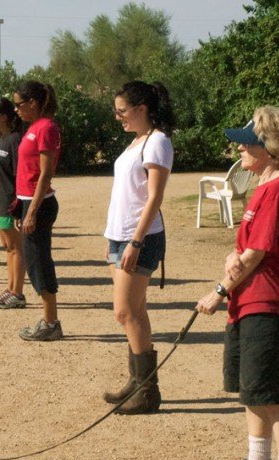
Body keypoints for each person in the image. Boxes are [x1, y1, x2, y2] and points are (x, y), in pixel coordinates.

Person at [197, 106, 279, 460]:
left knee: (274, 398)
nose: (240, 147)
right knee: (253, 391)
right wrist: (232, 255)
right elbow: (247, 246)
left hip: (268, 302)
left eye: (249, 141)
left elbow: (258, 253)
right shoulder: (263, 188)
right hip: (249, 301)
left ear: (273, 149)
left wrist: (217, 292)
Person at [102, 80, 174, 413]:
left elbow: (154, 197)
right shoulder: (137, 141)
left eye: (121, 111)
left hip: (139, 238)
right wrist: (111, 237)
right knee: (135, 311)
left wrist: (135, 240)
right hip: (121, 236)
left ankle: (147, 391)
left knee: (125, 311)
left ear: (141, 108)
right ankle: (137, 382)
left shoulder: (157, 142)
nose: (118, 117)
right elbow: (124, 194)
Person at [13, 81, 62, 340]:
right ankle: (49, 320)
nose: (16, 110)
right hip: (27, 201)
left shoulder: (47, 128)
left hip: (39, 204)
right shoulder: (34, 127)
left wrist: (32, 211)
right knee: (33, 262)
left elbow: (46, 174)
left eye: (19, 104)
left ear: (33, 103)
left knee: (39, 262)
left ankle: (51, 322)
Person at [0, 97, 25, 309]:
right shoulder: (4, 139)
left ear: (4, 118)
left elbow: (21, 175)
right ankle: (10, 288)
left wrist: (19, 207)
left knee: (16, 248)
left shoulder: (16, 140)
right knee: (8, 247)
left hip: (10, 205)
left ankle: (18, 293)